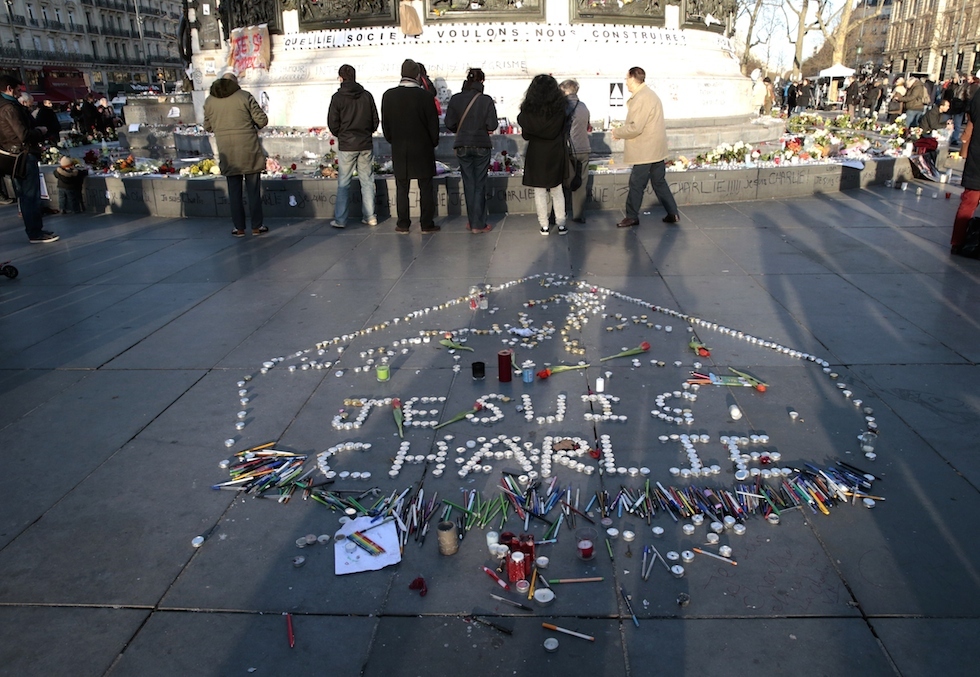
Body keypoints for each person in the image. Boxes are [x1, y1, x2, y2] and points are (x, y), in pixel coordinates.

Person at [203, 70, 269, 237]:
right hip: (248, 149)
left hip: (227, 150)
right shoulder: (244, 96)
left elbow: (207, 126)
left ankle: (239, 228)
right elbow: (262, 120)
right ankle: (256, 226)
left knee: (234, 191)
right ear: (235, 83)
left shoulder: (210, 101)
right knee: (253, 189)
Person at [611, 66, 680, 228]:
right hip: (656, 148)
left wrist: (618, 132)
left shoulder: (641, 98)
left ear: (633, 79)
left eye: (627, 79)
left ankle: (631, 216)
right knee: (659, 181)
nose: (626, 82)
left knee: (636, 183)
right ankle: (673, 212)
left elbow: (636, 127)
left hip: (645, 149)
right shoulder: (648, 94)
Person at [381, 59, 440, 233]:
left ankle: (403, 223)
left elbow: (386, 126)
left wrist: (394, 140)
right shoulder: (425, 96)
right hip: (422, 148)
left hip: (400, 147)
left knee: (402, 187)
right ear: (417, 75)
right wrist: (432, 143)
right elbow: (433, 126)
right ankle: (426, 223)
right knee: (426, 187)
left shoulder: (389, 95)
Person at [0, 75, 58, 242]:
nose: (20, 92)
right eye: (18, 89)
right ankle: (35, 232)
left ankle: (34, 230)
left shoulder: (5, 106)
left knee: (25, 196)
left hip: (14, 155)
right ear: (9, 89)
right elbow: (23, 134)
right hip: (23, 155)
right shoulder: (10, 108)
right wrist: (40, 131)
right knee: (30, 196)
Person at [444, 67, 498, 233]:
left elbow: (449, 123)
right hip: (482, 145)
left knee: (469, 183)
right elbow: (492, 125)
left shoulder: (455, 99)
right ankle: (478, 224)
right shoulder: (486, 100)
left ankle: (472, 221)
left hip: (462, 145)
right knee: (479, 184)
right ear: (481, 81)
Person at [327, 64, 380, 229]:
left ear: (341, 78)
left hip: (347, 145)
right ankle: (370, 216)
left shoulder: (337, 98)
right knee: (367, 181)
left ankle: (341, 219)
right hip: (365, 143)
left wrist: (341, 135)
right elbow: (375, 120)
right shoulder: (366, 96)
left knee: (344, 182)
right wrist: (367, 132)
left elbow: (332, 123)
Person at [518, 74, 568, 235]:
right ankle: (561, 223)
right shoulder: (560, 110)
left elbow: (526, 135)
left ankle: (544, 225)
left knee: (539, 190)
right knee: (557, 189)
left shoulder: (528, 111)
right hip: (555, 151)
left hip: (537, 152)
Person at [951, 87, 980, 257]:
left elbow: (971, 119)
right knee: (969, 201)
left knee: (969, 201)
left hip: (977, 156)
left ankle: (958, 241)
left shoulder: (977, 96)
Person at [559, 78, 590, 224]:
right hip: (584, 149)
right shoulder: (584, 106)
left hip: (569, 150)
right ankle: (579, 215)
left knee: (563, 183)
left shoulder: (563, 107)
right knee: (581, 184)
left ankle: (558, 215)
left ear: (565, 91)